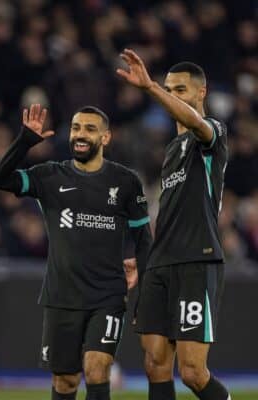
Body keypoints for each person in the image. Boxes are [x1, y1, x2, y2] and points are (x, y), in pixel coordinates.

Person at [0, 104, 152, 400]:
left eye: (90, 129)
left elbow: (144, 239)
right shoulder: (50, 176)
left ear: (106, 138)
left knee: (97, 368)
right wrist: (25, 140)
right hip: (61, 295)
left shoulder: (126, 181)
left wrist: (144, 298)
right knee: (65, 380)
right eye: (76, 128)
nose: (80, 134)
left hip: (108, 295)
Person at [117, 49, 230, 400]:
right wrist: (144, 258)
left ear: (201, 92)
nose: (171, 95)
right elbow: (167, 214)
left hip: (197, 259)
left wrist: (150, 88)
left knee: (194, 373)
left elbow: (196, 123)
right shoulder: (171, 151)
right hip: (160, 265)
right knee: (154, 364)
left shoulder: (211, 135)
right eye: (169, 88)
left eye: (179, 90)